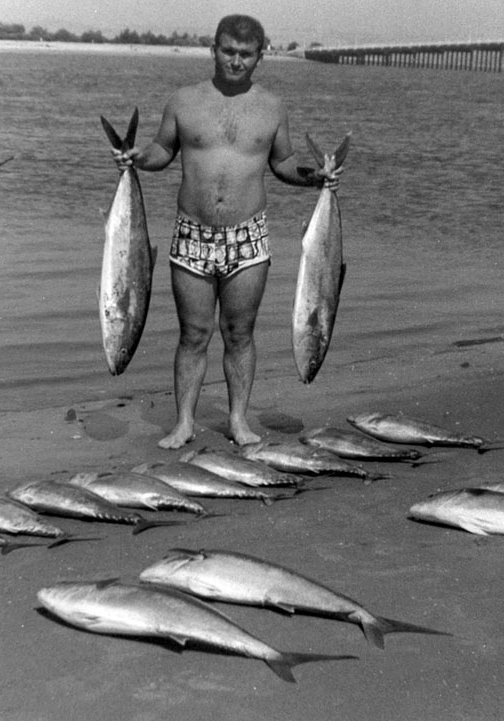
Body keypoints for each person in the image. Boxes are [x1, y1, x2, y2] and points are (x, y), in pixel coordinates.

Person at [112, 14, 342, 449]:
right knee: (193, 334)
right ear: (213, 50)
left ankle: (238, 420)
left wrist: (315, 177)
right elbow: (162, 149)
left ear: (260, 56)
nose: (236, 61)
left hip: (248, 235)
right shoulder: (183, 101)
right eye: (228, 51)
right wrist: (137, 158)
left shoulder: (272, 107)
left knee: (239, 333)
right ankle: (183, 422)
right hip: (192, 233)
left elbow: (282, 162)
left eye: (246, 54)